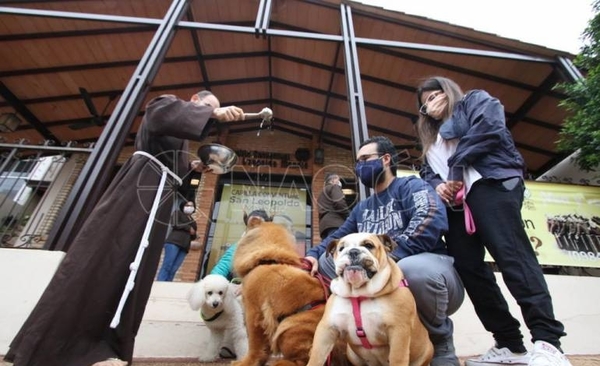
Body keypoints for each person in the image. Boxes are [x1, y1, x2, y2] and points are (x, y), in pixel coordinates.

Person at [4, 90, 245, 366]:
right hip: (136, 193)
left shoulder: (177, 140)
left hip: (156, 202)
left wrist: (194, 166)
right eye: (206, 106)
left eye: (213, 109)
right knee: (103, 258)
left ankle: (103, 346)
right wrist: (213, 113)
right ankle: (53, 344)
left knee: (135, 273)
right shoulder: (165, 103)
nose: (209, 113)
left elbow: (173, 167)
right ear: (192, 101)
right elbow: (158, 115)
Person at [415, 76, 571, 366]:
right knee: (468, 268)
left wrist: (455, 169)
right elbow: (426, 170)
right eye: (425, 103)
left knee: (512, 257)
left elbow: (490, 130)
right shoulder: (430, 136)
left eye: (436, 95)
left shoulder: (475, 101)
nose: (431, 104)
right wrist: (437, 183)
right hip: (458, 205)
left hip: (492, 185)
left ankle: (548, 341)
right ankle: (510, 344)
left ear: (449, 92)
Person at [305, 135, 465, 366]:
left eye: (365, 159)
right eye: (357, 162)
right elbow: (339, 235)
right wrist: (312, 254)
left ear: (386, 159)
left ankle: (441, 341)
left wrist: (390, 259)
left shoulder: (412, 186)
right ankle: (349, 332)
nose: (360, 166)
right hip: (382, 281)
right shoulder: (363, 207)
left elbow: (430, 218)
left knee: (411, 269)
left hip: (431, 269)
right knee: (328, 260)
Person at [210, 209, 271, 280]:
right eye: (251, 225)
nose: (254, 229)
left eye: (258, 225)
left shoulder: (274, 249)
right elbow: (219, 270)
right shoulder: (236, 248)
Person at [157, 200, 198, 281]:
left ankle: (167, 285)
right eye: (187, 205)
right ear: (183, 206)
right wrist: (188, 228)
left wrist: (194, 234)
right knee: (167, 265)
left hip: (184, 246)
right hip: (174, 242)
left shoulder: (193, 221)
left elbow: (193, 236)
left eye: (191, 205)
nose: (189, 207)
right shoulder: (178, 213)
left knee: (174, 269)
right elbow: (175, 223)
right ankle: (160, 284)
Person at [317, 173, 350, 239]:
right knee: (337, 247)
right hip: (335, 223)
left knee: (328, 247)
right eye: (338, 180)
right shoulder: (334, 187)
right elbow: (339, 202)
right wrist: (348, 216)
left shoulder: (321, 194)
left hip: (324, 226)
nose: (339, 182)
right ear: (333, 180)